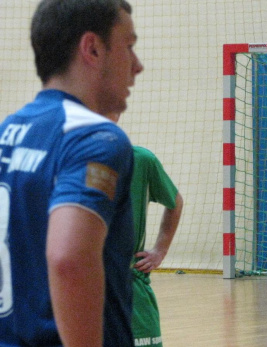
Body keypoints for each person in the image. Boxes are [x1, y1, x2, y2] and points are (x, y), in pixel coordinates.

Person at [0, 0, 143, 346]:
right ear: (92, 48)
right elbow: (69, 258)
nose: (138, 66)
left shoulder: (7, 132)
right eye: (129, 46)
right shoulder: (96, 138)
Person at [128, 145, 183, 347]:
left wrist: (160, 249)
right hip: (79, 288)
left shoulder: (141, 160)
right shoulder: (62, 160)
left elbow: (175, 202)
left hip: (130, 286)